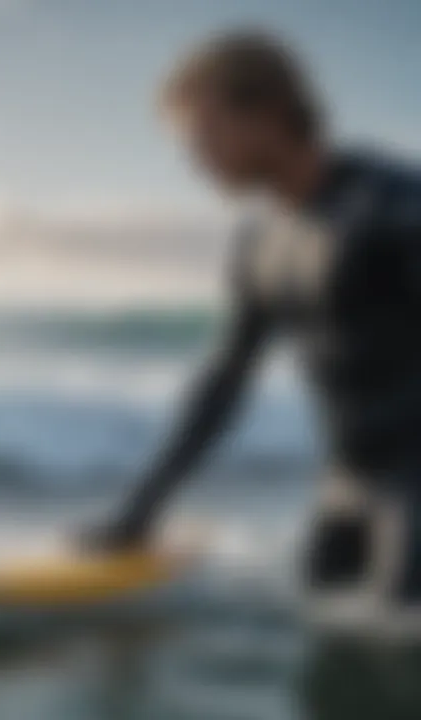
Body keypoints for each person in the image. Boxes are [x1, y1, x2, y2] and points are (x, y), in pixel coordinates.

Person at [83, 29, 421, 717]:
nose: (192, 159)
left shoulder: (396, 209)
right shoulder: (260, 242)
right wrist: (140, 511)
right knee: (330, 683)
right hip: (345, 497)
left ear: (267, 114)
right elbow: (223, 385)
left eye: (203, 134)